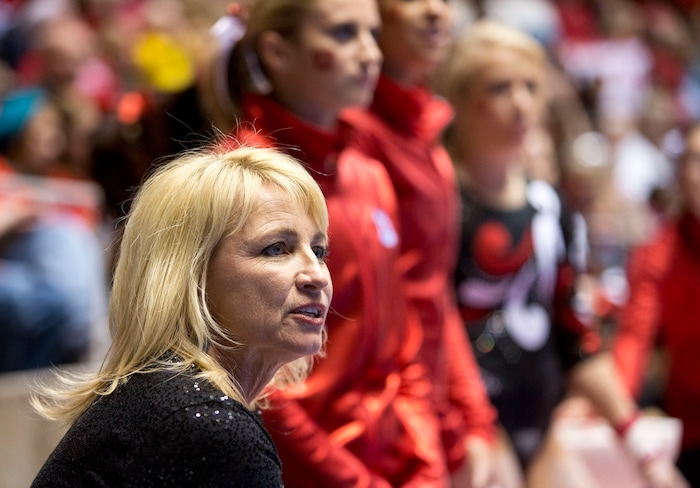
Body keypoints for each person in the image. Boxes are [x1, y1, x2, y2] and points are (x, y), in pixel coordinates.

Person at [208, 0, 451, 485]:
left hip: (389, 461)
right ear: (277, 51)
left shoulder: (367, 172)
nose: (369, 55)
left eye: (373, 34)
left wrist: (426, 462)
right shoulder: (240, 180)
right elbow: (249, 373)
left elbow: (401, 342)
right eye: (343, 34)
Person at [438, 19, 688, 488]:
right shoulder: (440, 205)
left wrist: (641, 448)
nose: (520, 104)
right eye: (499, 88)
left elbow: (578, 341)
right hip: (465, 426)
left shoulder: (551, 208)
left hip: (540, 416)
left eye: (530, 86)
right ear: (460, 100)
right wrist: (468, 426)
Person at [30, 144, 333, 486]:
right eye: (276, 248)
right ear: (190, 277)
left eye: (319, 250)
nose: (318, 275)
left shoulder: (181, 402)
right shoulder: (202, 423)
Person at [343, 1, 504, 486]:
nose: (436, 10)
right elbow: (386, 308)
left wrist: (471, 415)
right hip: (382, 417)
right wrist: (439, 428)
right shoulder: (355, 136)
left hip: (429, 402)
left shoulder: (424, 124)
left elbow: (433, 292)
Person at [612, 121, 700, 487]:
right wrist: (611, 404)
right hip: (691, 436)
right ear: (680, 174)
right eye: (695, 159)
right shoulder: (657, 255)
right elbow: (633, 339)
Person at [0, 86, 107, 372]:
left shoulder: (67, 180)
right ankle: (91, 354)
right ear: (20, 129)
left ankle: (87, 345)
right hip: (17, 271)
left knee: (72, 237)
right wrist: (15, 217)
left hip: (61, 289)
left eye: (56, 126)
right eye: (44, 125)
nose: (54, 134)